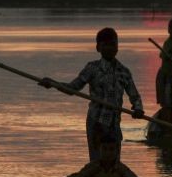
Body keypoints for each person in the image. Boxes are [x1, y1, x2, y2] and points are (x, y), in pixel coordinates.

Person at [39, 27, 144, 161]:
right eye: (106, 45)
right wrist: (53, 83)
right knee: (96, 162)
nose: (111, 48)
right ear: (98, 47)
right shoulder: (92, 68)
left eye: (114, 44)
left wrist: (138, 108)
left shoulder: (123, 72)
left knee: (114, 163)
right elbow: (73, 88)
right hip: (96, 124)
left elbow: (135, 96)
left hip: (114, 124)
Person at [40, 134, 158, 177]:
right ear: (99, 150)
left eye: (111, 150)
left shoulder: (121, 169)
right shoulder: (93, 167)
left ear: (117, 151)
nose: (108, 153)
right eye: (105, 149)